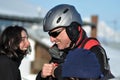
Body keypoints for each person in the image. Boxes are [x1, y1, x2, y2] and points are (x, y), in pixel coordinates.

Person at [36, 4, 114, 80]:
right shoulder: (58, 53)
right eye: (50, 34)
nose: (51, 39)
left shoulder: (93, 50)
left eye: (55, 33)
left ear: (72, 30)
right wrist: (42, 76)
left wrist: (59, 72)